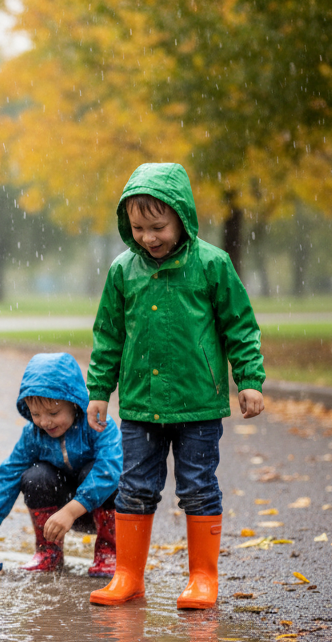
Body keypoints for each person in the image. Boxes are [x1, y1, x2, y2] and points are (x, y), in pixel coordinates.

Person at [86, 162, 265, 609]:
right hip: (141, 406)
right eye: (139, 227)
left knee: (198, 486)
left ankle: (203, 578)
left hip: (198, 404)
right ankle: (127, 575)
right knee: (135, 487)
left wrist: (249, 380)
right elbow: (108, 335)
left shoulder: (212, 264)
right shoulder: (123, 271)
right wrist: (98, 391)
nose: (149, 237)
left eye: (158, 226)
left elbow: (239, 326)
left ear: (182, 216)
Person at [0, 353, 121, 576]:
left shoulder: (97, 424)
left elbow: (110, 469)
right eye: (36, 413)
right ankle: (48, 550)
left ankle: (109, 551)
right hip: (56, 515)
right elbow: (8, 474)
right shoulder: (34, 434)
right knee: (34, 477)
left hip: (93, 508)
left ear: (75, 403)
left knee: (101, 473)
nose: (45, 422)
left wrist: (71, 511)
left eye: (53, 413)